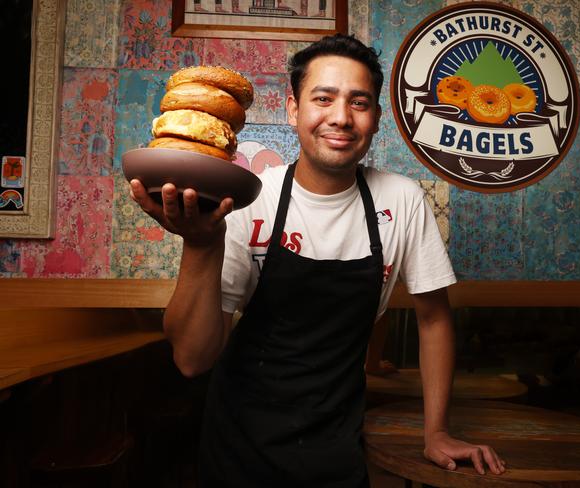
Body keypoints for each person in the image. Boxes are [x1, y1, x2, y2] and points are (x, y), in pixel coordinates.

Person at [130, 34, 505, 487]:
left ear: (377, 118)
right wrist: (201, 245)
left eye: (359, 102)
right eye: (323, 98)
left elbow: (433, 320)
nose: (341, 118)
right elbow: (192, 360)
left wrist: (437, 431)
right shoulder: (248, 198)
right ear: (293, 110)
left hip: (339, 445)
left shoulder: (402, 201)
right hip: (238, 448)